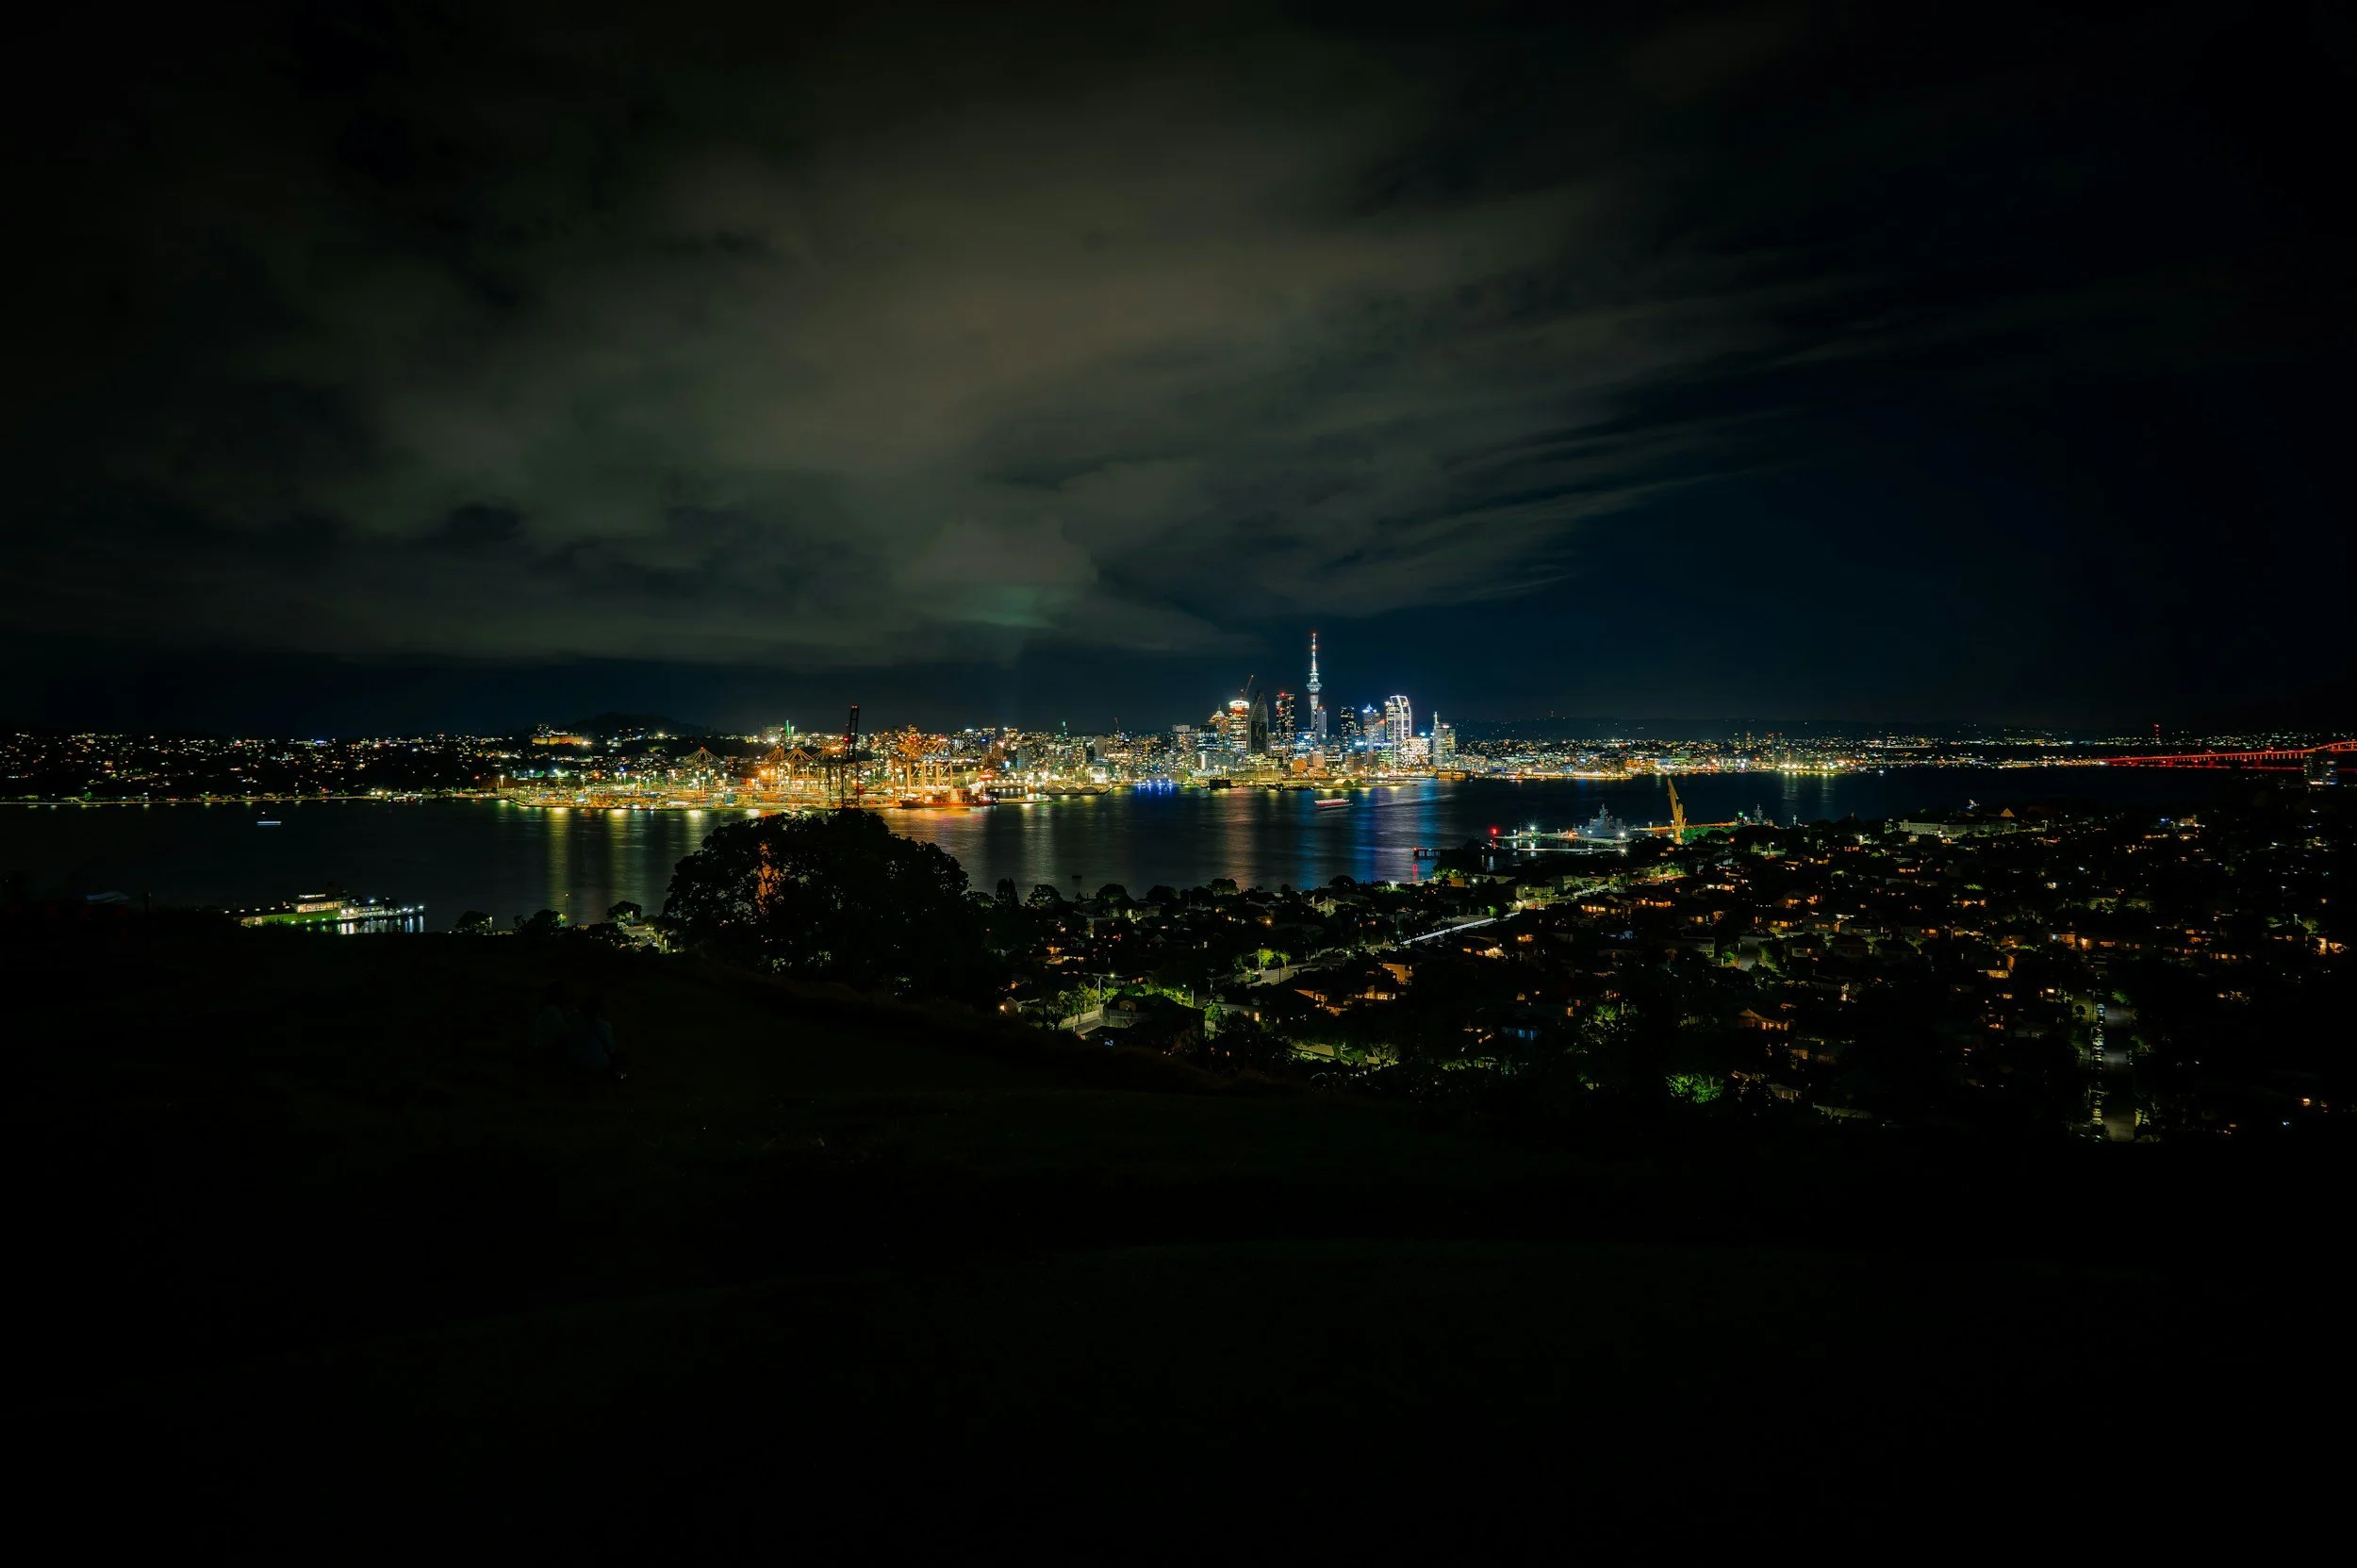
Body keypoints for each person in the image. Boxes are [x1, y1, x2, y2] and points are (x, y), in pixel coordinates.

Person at [569, 996, 620, 1078]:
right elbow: (611, 1049)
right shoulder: (603, 1026)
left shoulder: (574, 1023)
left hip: (575, 1064)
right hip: (598, 1067)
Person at [533, 982, 570, 1060]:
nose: (567, 997)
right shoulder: (553, 1011)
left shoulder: (547, 1009)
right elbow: (563, 1032)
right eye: (565, 994)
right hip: (548, 1052)